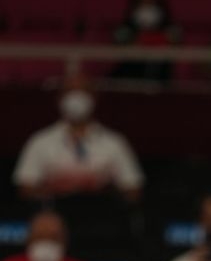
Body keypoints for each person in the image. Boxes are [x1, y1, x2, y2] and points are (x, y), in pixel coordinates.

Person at [12, 75, 144, 206]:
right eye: (70, 91)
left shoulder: (115, 143)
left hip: (101, 215)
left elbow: (133, 188)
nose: (76, 97)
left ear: (94, 97)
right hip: (55, 214)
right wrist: (57, 192)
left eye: (83, 91)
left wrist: (104, 193)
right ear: (59, 98)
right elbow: (25, 187)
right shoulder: (40, 141)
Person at [112, 0, 181, 83]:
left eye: (150, 2)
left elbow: (176, 41)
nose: (146, 7)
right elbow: (118, 41)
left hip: (161, 78)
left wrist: (154, 37)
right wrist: (138, 36)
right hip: (129, 78)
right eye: (142, 2)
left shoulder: (171, 26)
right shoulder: (125, 27)